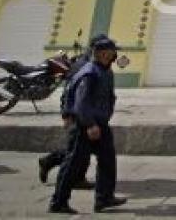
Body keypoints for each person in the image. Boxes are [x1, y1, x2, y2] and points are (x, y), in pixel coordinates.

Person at [49, 36, 126, 214]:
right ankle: (58, 202)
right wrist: (89, 124)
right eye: (107, 51)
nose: (111, 55)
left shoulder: (106, 71)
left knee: (107, 160)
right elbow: (80, 101)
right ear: (98, 53)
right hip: (85, 124)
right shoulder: (89, 72)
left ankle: (104, 198)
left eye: (112, 52)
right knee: (73, 163)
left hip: (101, 123)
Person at [38, 34, 111, 186]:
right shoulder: (82, 65)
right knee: (77, 150)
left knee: (82, 149)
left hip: (90, 113)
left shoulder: (95, 63)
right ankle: (58, 181)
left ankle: (74, 177)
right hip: (79, 114)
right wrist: (66, 114)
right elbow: (69, 90)